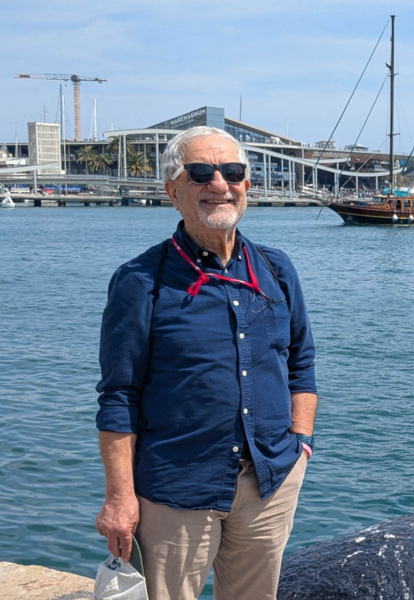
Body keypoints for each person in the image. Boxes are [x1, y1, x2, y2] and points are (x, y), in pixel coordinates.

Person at [94, 126, 317, 600]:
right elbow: (118, 395)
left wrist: (301, 441)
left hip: (270, 481)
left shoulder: (276, 269)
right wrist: (119, 497)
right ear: (173, 191)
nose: (219, 184)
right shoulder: (141, 281)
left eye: (232, 172)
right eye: (200, 173)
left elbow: (301, 361)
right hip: (175, 490)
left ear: (247, 186)